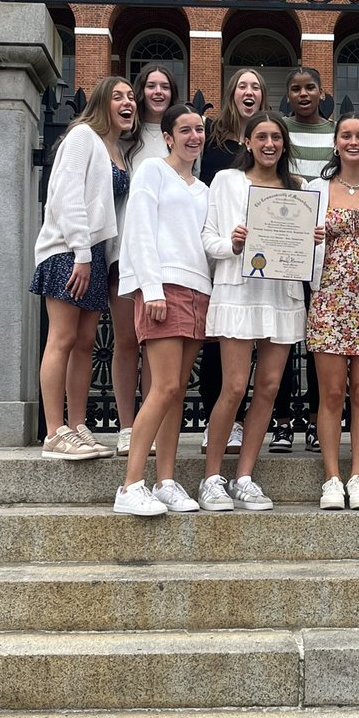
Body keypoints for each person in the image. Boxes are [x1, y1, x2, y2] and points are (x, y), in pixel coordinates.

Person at [200, 110, 323, 511]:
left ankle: (245, 477)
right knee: (234, 386)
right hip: (239, 290)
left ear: (284, 145)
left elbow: (309, 253)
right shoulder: (226, 181)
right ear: (248, 142)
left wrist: (315, 239)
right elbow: (208, 237)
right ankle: (211, 478)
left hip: (282, 294)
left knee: (269, 388)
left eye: (276, 137)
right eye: (261, 137)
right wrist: (231, 245)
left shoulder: (299, 188)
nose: (269, 144)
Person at [31, 75, 137, 460]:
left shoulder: (117, 150)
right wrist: (80, 251)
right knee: (62, 338)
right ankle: (53, 432)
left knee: (86, 343)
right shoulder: (81, 137)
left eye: (131, 97)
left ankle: (77, 426)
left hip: (92, 256)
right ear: (101, 102)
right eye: (119, 96)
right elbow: (65, 195)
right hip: (67, 251)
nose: (128, 102)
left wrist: (96, 257)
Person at [113, 104, 211, 516]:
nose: (194, 136)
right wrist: (150, 288)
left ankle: (166, 480)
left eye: (199, 129)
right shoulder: (152, 171)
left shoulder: (203, 190)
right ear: (168, 136)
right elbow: (137, 230)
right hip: (162, 289)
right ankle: (130, 483)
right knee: (164, 387)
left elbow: (208, 243)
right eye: (185, 129)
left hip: (198, 290)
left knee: (176, 392)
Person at [307, 113, 359, 510]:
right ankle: (331, 477)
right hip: (329, 300)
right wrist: (308, 237)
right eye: (346, 135)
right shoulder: (316, 190)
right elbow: (289, 248)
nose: (354, 141)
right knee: (332, 393)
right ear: (336, 143)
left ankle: (357, 477)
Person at [110, 63, 182, 458]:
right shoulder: (125, 138)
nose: (157, 92)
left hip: (168, 257)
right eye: (150, 85)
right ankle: (125, 425)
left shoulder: (182, 137)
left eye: (164, 86)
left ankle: (149, 425)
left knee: (156, 344)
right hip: (126, 251)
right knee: (125, 341)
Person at [198, 67, 267, 454]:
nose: (249, 91)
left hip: (271, 267)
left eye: (256, 86)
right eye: (242, 85)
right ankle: (219, 421)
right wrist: (229, 243)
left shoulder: (283, 175)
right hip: (225, 257)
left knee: (267, 351)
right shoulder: (211, 137)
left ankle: (255, 423)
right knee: (220, 342)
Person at [269, 66, 334, 454]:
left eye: (310, 87)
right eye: (296, 88)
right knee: (281, 337)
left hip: (323, 251)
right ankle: (280, 420)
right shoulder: (280, 131)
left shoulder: (333, 132)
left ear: (322, 91)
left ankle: (312, 420)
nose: (303, 93)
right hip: (283, 246)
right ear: (288, 95)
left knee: (316, 344)